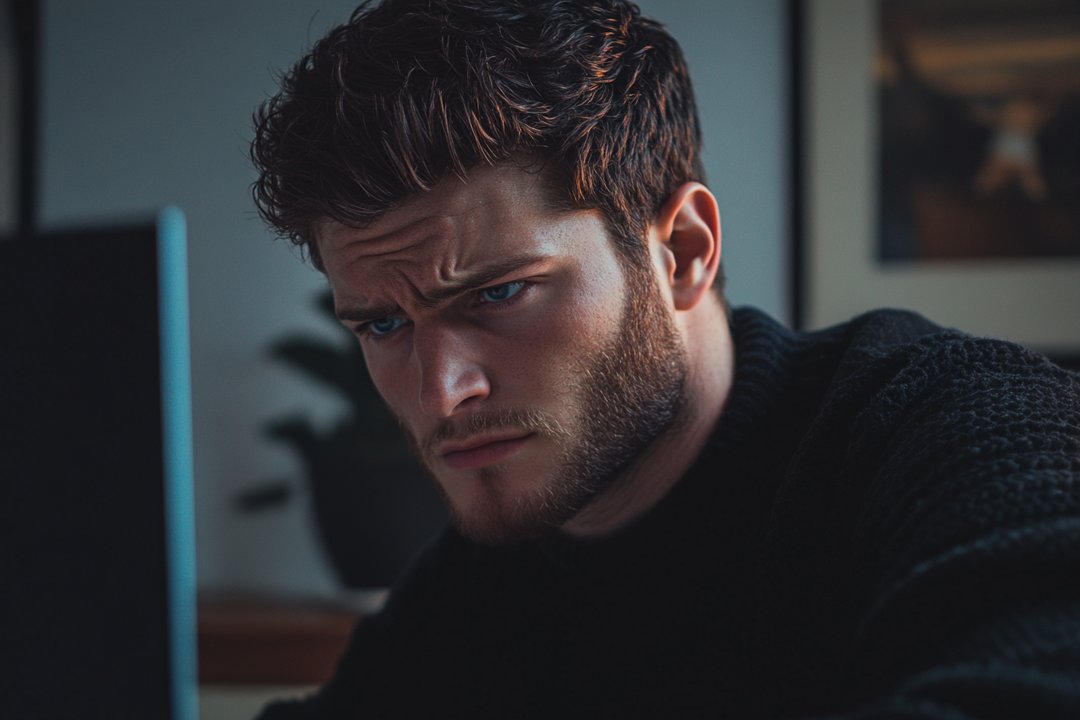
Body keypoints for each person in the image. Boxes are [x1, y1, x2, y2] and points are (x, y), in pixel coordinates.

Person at [249, 0, 1080, 717]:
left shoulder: (949, 420)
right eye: (383, 326)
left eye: (499, 294)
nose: (442, 391)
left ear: (683, 251)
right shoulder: (479, 585)